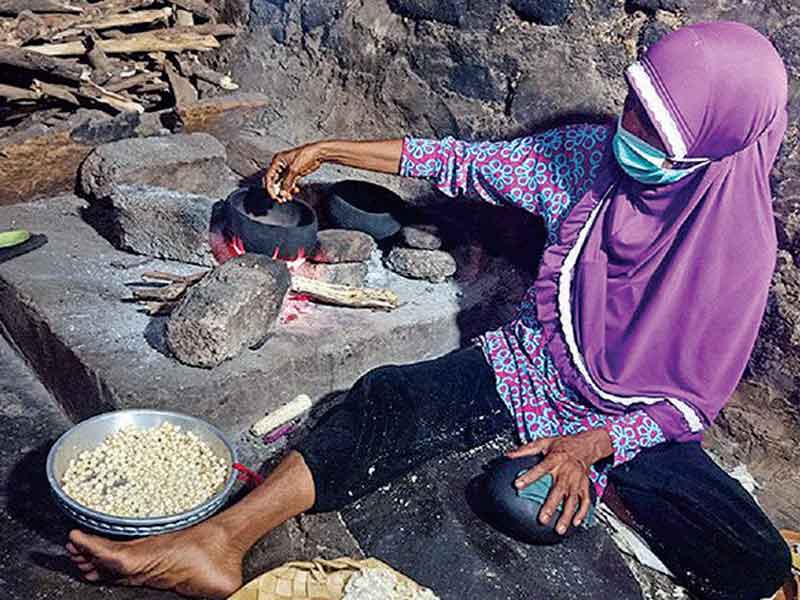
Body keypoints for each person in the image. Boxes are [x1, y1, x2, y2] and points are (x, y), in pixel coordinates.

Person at [65, 21, 796, 600]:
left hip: (631, 417)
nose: (629, 131)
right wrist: (332, 147)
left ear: (719, 144)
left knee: (741, 557)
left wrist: (591, 445)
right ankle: (218, 542)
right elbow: (461, 160)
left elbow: (689, 404)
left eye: (659, 129)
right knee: (390, 398)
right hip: (537, 366)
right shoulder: (588, 159)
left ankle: (631, 501)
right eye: (635, 102)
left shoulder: (738, 249)